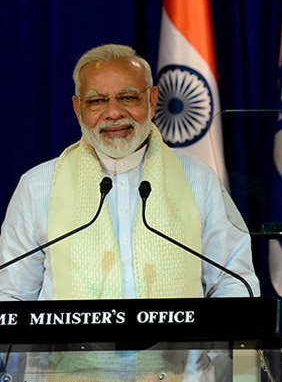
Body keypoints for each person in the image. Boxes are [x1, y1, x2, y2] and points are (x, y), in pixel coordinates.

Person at [0, 44, 259, 300]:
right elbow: (11, 296)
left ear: (152, 100)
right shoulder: (38, 187)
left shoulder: (198, 179)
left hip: (179, 343)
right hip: (68, 344)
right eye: (97, 101)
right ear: (78, 108)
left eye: (128, 98)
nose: (113, 113)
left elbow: (234, 284)